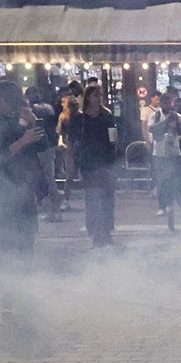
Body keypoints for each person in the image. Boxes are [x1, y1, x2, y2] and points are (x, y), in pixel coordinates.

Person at [0, 79, 47, 269]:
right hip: (0, 188)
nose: (13, 109)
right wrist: (22, 141)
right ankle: (12, 282)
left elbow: (42, 145)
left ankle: (27, 279)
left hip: (24, 185)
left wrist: (33, 123)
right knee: (9, 238)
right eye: (10, 104)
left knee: (28, 237)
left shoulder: (15, 117)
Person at [71, 83, 119, 248]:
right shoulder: (80, 119)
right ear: (88, 98)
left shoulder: (107, 116)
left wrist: (113, 154)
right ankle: (95, 232)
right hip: (88, 162)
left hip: (105, 160)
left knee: (107, 198)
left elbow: (113, 138)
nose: (99, 98)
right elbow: (74, 140)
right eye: (95, 95)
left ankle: (105, 231)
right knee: (92, 198)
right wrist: (73, 162)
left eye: (100, 95)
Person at [147, 88, 181, 223]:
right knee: (162, 180)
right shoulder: (155, 116)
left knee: (180, 177)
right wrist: (166, 122)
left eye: (169, 102)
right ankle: (162, 206)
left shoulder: (175, 115)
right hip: (159, 152)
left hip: (174, 151)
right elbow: (152, 129)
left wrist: (177, 121)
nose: (167, 105)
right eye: (164, 102)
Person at [26, 86, 62, 221]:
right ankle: (55, 209)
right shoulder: (48, 107)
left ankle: (52, 210)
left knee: (45, 180)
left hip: (40, 147)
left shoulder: (32, 111)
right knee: (51, 179)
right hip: (50, 145)